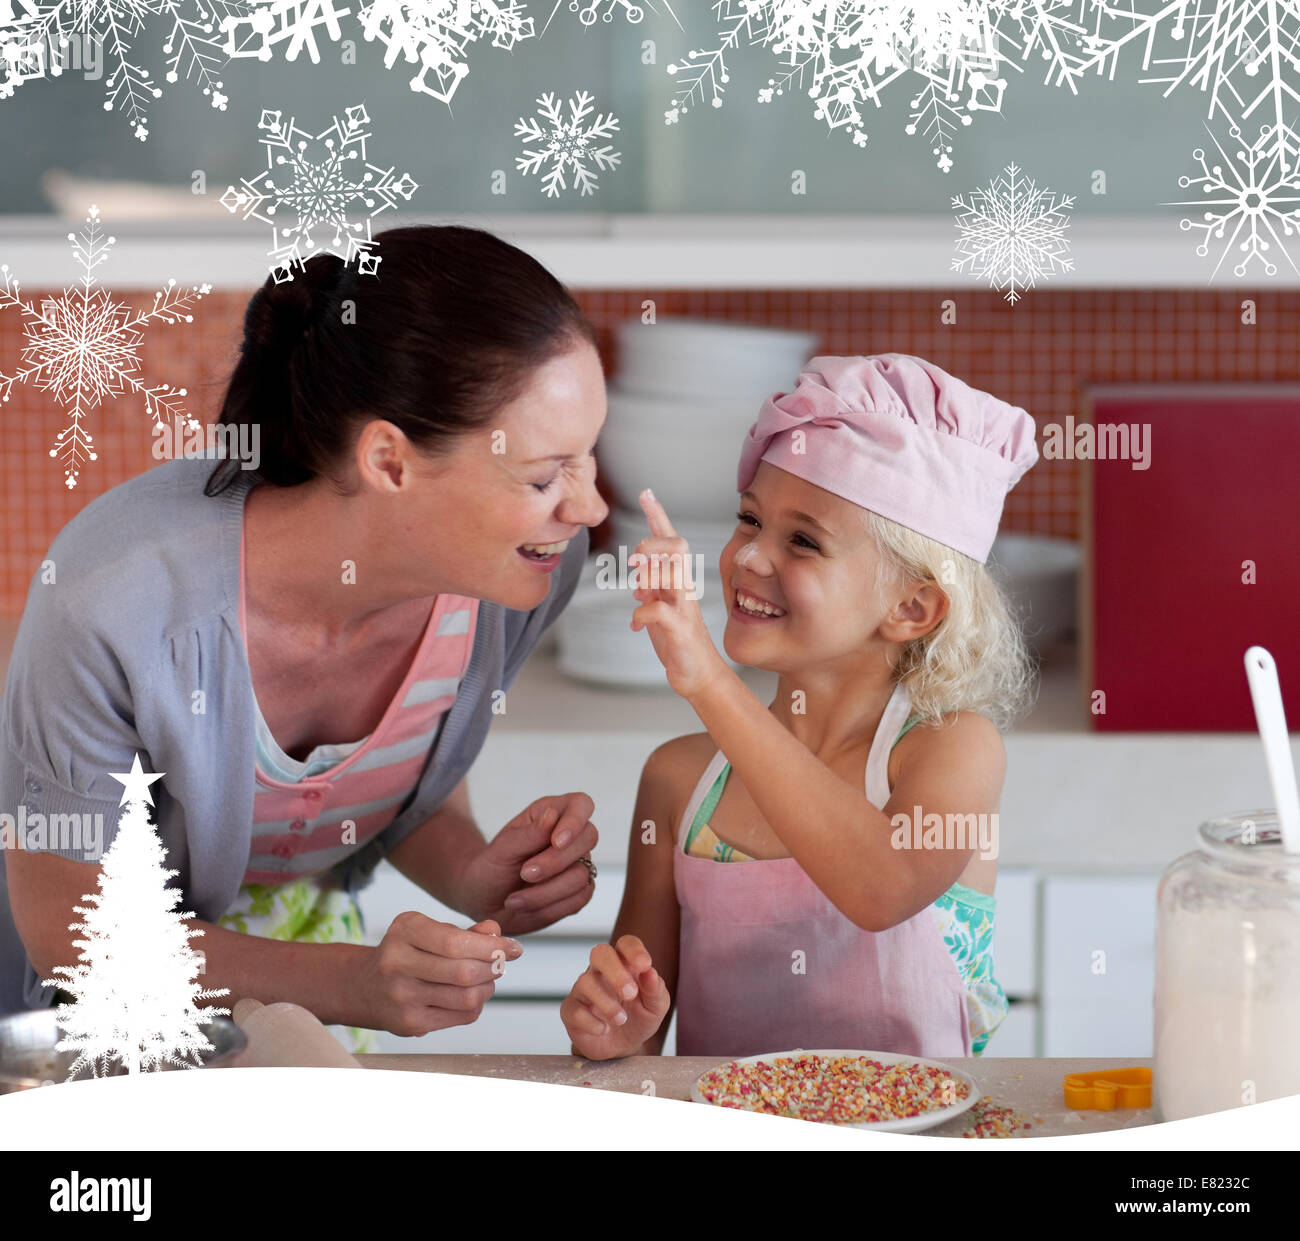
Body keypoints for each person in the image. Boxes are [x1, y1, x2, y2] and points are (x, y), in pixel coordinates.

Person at [0, 225, 610, 1048]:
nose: (589, 509)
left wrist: (477, 872)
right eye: (544, 476)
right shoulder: (116, 605)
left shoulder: (517, 575)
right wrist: (351, 981)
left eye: (588, 459)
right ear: (389, 462)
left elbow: (381, 788)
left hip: (297, 999)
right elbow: (71, 931)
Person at [561, 353, 1037, 1060]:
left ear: (912, 606)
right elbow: (635, 1036)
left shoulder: (951, 749)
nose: (749, 557)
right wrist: (613, 1030)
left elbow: (881, 885)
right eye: (749, 520)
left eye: (803, 541)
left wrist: (709, 682)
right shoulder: (678, 782)